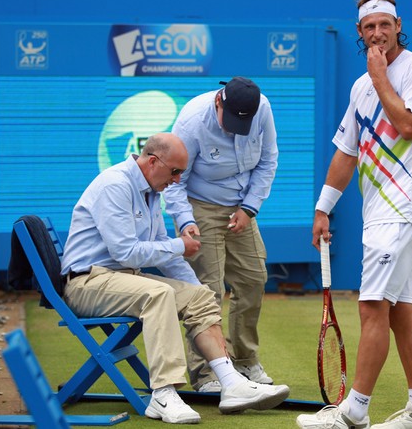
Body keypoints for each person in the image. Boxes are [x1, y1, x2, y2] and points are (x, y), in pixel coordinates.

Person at [60, 133, 289, 425]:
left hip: (121, 279)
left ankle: (232, 384)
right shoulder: (115, 185)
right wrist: (180, 244)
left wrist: (195, 291)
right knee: (158, 295)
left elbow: (162, 255)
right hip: (85, 284)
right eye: (175, 171)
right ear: (153, 161)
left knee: (200, 296)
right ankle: (163, 394)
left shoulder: (151, 190)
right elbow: (127, 252)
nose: (178, 180)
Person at [296, 0, 412, 428]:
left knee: (371, 305)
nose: (377, 33)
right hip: (379, 213)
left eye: (384, 24)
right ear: (358, 32)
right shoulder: (359, 87)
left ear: (398, 24)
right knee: (399, 309)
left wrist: (380, 77)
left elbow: (408, 126)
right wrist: (324, 209)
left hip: (403, 209)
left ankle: (353, 412)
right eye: (368, 27)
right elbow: (346, 151)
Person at [164, 77, 278, 392]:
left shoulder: (262, 108)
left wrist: (249, 208)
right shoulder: (191, 122)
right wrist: (186, 221)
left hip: (241, 208)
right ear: (219, 102)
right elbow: (175, 179)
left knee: (254, 279)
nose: (234, 129)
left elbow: (268, 161)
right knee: (208, 292)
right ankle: (206, 373)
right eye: (229, 121)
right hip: (198, 206)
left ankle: (244, 361)